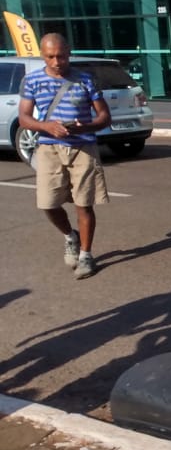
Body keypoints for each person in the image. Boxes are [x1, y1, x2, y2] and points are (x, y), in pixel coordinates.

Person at [18, 32, 112, 280]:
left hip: (83, 147)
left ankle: (86, 256)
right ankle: (71, 236)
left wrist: (86, 127)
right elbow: (24, 118)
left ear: (68, 52)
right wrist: (46, 127)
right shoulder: (32, 80)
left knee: (84, 203)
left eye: (61, 56)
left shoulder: (86, 79)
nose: (57, 61)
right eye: (50, 56)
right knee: (48, 203)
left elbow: (104, 116)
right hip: (49, 148)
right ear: (42, 55)